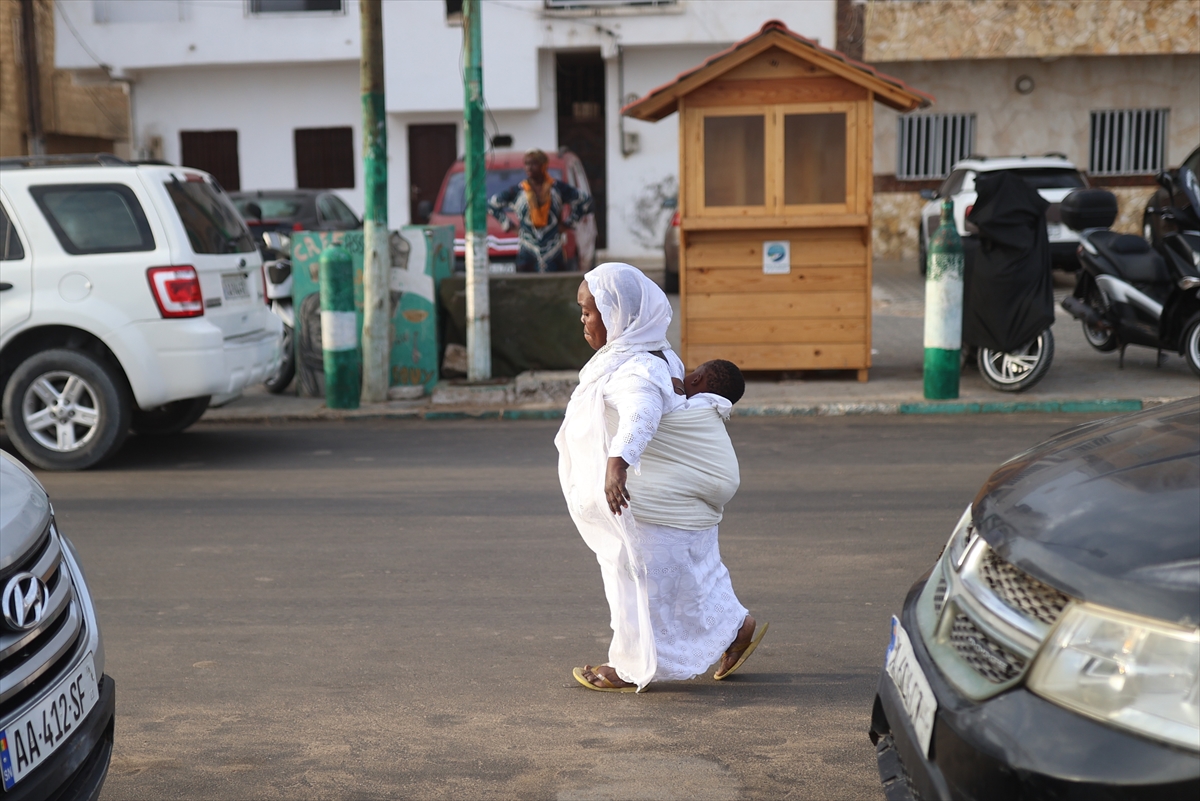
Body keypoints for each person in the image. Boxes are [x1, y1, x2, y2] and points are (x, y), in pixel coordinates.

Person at [555, 263, 765, 693]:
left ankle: (629, 665)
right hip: (678, 495)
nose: (584, 319)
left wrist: (617, 465)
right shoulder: (659, 354)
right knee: (696, 573)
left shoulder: (637, 368)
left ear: (618, 314)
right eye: (582, 310)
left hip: (652, 498)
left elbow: (642, 413)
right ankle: (738, 627)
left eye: (591, 311)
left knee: (634, 577)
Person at [488, 149, 593, 273]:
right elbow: (493, 204)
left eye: (533, 164)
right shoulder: (519, 191)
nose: (529, 168)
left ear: (544, 166)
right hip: (528, 248)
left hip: (553, 248)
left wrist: (569, 223)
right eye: (526, 164)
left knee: (555, 286)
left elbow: (585, 201)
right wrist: (509, 225)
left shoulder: (556, 189)